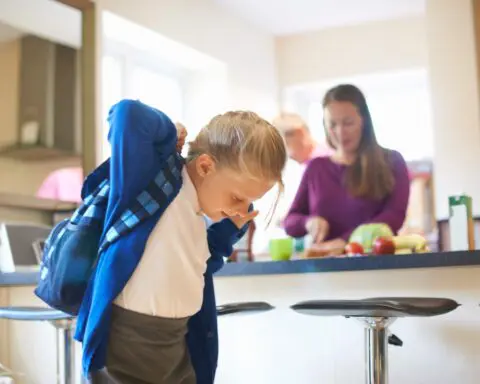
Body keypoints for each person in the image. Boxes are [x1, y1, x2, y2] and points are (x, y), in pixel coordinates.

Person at [77, 100, 286, 384]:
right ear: (205, 166)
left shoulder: (196, 216)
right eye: (237, 197)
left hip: (178, 353)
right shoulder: (152, 184)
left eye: (250, 201)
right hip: (126, 354)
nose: (242, 208)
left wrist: (229, 230)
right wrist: (167, 133)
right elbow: (127, 114)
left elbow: (200, 265)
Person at [284, 84, 410, 254]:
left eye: (348, 123)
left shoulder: (392, 161)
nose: (340, 132)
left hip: (378, 268)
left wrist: (344, 241)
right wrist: (308, 222)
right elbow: (290, 222)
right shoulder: (316, 168)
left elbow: (394, 216)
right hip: (327, 271)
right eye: (332, 124)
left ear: (363, 121)